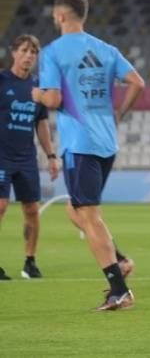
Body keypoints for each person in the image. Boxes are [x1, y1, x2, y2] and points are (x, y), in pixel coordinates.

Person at [32, 0, 145, 311]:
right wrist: (119, 114)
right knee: (75, 210)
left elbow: (53, 100)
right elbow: (137, 82)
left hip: (79, 143)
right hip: (106, 142)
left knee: (89, 214)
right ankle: (119, 260)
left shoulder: (54, 52)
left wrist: (37, 93)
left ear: (60, 16)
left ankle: (119, 289)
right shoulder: (106, 49)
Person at [0, 34, 58, 281]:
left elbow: (41, 124)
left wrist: (51, 155)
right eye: (24, 50)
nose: (28, 56)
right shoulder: (2, 81)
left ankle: (30, 262)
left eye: (33, 52)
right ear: (14, 52)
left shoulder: (38, 88)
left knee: (32, 210)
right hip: (1, 156)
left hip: (26, 158)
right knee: (0, 206)